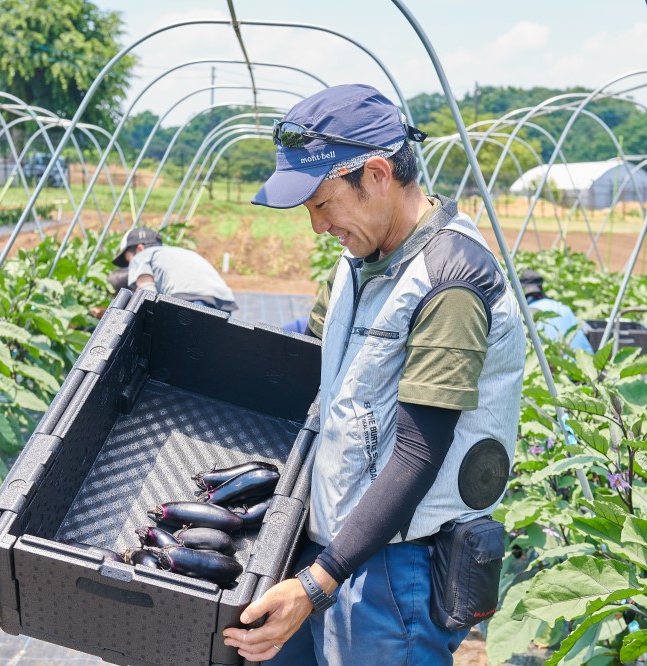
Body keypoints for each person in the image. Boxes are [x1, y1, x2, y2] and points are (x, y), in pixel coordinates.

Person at [222, 84, 526, 665]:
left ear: (379, 174)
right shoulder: (358, 262)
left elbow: (418, 453)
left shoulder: (450, 281)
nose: (317, 226)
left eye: (322, 202)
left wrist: (316, 584)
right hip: (334, 544)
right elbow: (308, 353)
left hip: (398, 570)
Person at [112, 227, 237, 313]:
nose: (130, 265)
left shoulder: (141, 256)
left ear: (139, 248)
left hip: (188, 300)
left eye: (128, 259)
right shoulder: (179, 252)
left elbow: (148, 294)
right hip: (224, 302)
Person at [519, 269, 594, 352]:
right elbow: (585, 328)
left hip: (556, 361)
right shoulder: (561, 306)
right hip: (587, 359)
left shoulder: (528, 312)